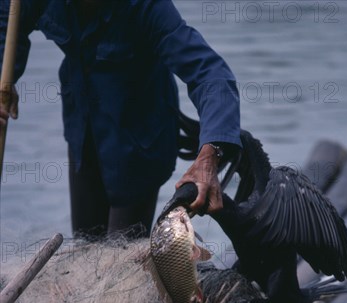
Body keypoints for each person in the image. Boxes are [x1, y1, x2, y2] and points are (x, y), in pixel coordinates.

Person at [0, 0, 241, 237]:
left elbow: (211, 75)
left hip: (139, 140)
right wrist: (3, 77)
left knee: (120, 250)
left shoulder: (148, 7)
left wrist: (210, 153)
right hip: (82, 131)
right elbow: (8, 22)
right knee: (85, 248)